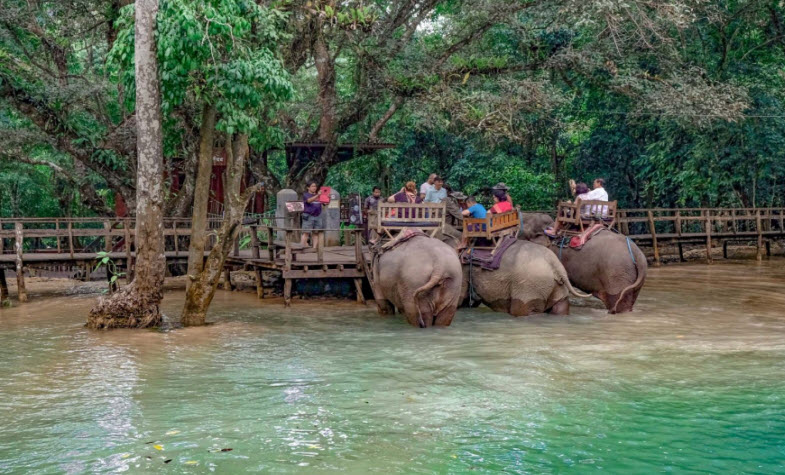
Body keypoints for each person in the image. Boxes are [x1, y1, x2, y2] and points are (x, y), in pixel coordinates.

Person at [301, 181, 324, 248]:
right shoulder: (306, 195)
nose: (314, 188)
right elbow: (309, 201)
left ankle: (314, 248)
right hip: (309, 216)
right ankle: (302, 247)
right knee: (306, 232)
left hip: (318, 216)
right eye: (312, 186)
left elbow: (324, 203)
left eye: (315, 186)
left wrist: (327, 198)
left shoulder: (319, 196)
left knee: (316, 233)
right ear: (308, 187)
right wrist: (318, 195)